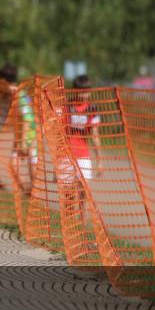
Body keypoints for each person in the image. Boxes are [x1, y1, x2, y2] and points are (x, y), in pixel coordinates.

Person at [58, 75, 101, 228]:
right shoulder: (67, 107)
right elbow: (60, 133)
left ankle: (82, 224)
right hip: (66, 155)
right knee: (68, 192)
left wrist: (100, 160)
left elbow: (95, 135)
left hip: (83, 154)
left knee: (84, 189)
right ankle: (69, 224)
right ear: (75, 91)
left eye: (86, 91)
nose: (83, 95)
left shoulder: (92, 109)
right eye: (80, 91)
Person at [0, 62, 37, 194]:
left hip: (29, 132)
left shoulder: (19, 95)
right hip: (20, 132)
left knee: (31, 160)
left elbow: (27, 118)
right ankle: (27, 190)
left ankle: (34, 190)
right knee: (14, 163)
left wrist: (23, 142)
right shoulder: (12, 95)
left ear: (5, 81)